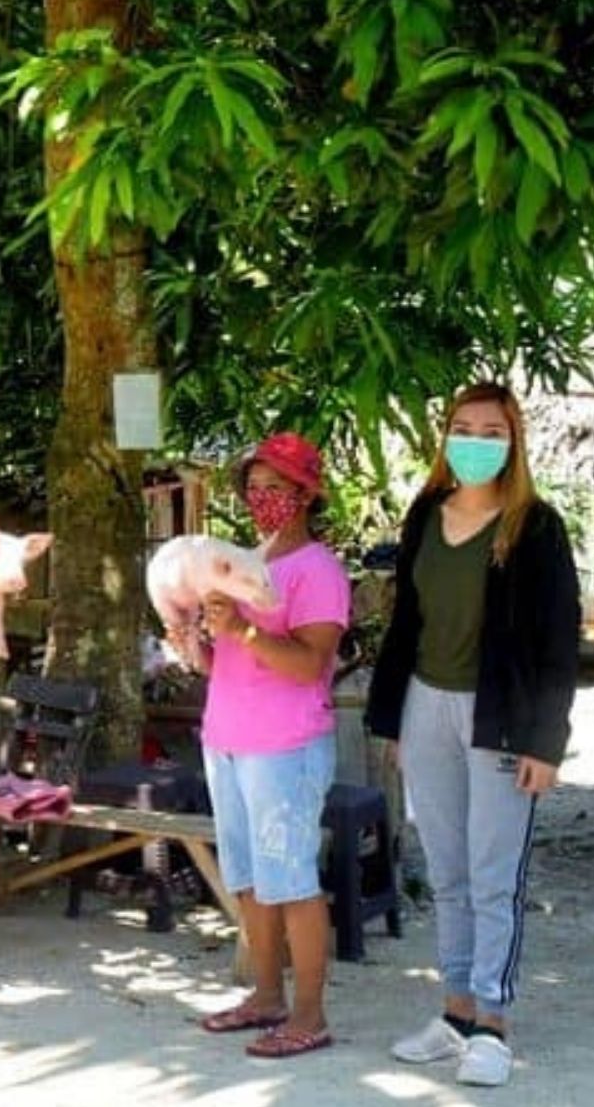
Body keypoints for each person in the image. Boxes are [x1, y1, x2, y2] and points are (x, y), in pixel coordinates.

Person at [366, 383, 580, 1088]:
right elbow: (407, 625)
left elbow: (557, 641)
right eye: (464, 427)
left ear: (513, 439)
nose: (477, 439)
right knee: (449, 873)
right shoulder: (427, 513)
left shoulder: (536, 527)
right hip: (427, 707)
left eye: (492, 428)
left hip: (500, 720)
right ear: (446, 436)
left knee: (494, 878)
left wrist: (546, 743)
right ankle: (454, 1010)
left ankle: (493, 1021)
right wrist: (393, 717)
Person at [166, 433, 349, 1059]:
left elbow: (308, 665)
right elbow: (224, 666)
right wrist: (196, 639)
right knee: (249, 879)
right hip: (228, 740)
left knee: (292, 880)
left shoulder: (318, 570)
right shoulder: (246, 560)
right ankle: (267, 996)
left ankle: (309, 1014)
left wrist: (242, 628)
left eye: (277, 488)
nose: (262, 499)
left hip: (286, 747)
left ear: (306, 494)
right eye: (254, 488)